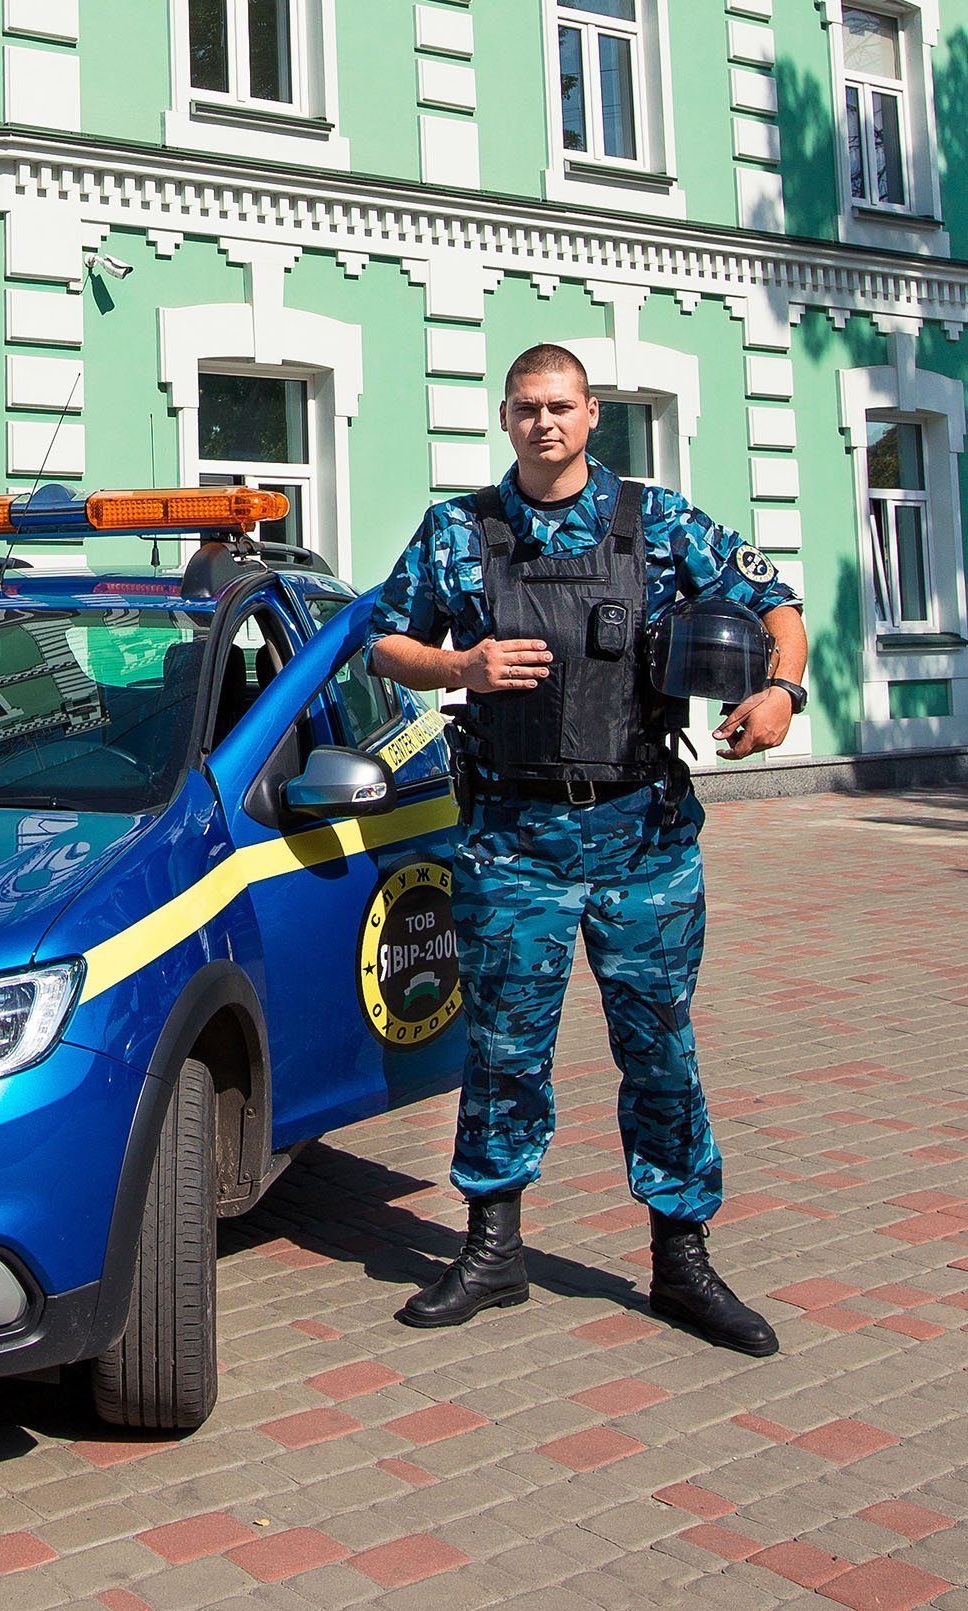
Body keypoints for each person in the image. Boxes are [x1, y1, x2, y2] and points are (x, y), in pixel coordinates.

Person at [369, 344, 808, 1357]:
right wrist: (460, 662)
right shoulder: (457, 532)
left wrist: (781, 692)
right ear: (505, 417)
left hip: (643, 838)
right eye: (526, 409)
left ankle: (682, 1258)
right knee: (503, 1050)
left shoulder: (657, 522)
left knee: (659, 1051)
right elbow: (383, 641)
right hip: (510, 841)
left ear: (592, 413)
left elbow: (776, 605)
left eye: (560, 407)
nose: (543, 425)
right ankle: (492, 1249)